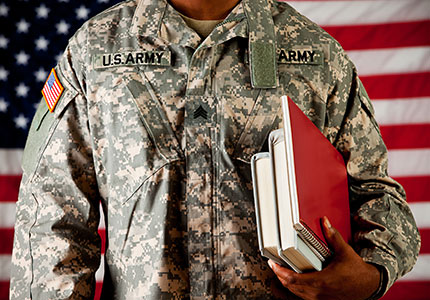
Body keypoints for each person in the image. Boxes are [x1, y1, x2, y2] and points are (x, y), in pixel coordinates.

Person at [10, 0, 420, 299]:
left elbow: (375, 195)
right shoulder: (95, 54)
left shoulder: (317, 56)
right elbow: (51, 220)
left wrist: (369, 276)